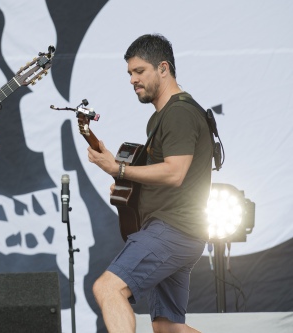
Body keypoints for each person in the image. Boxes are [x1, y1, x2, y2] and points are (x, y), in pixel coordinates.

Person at [88, 34, 212, 332]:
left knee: (108, 288)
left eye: (139, 71)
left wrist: (119, 170)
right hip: (180, 231)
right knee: (167, 328)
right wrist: (118, 173)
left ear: (164, 68)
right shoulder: (162, 116)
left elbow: (174, 173)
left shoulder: (179, 113)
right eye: (129, 73)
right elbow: (162, 177)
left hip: (172, 229)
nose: (132, 79)